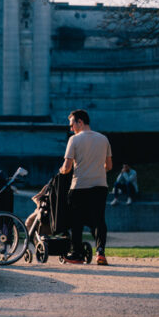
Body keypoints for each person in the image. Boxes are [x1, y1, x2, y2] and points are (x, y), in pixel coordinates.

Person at [61, 109, 112, 265]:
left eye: (72, 124)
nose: (71, 128)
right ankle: (101, 253)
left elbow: (67, 167)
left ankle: (77, 254)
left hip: (80, 186)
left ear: (80, 122)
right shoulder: (103, 139)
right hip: (100, 186)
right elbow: (109, 166)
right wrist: (95, 170)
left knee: (76, 221)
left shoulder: (74, 140)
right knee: (99, 220)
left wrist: (62, 170)